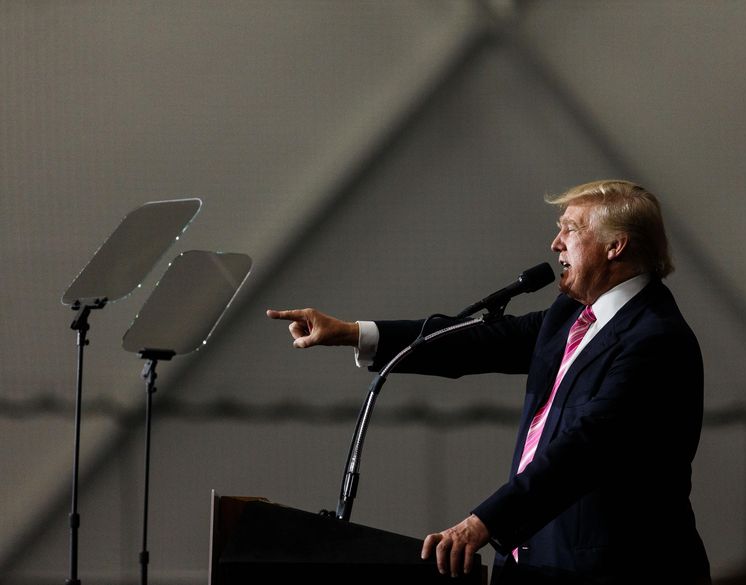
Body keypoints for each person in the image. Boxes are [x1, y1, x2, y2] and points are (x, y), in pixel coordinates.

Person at [267, 180, 710, 584]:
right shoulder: (571, 315)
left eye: (570, 230)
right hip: (532, 565)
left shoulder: (655, 338)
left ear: (616, 246)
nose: (556, 243)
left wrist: (483, 523)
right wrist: (352, 333)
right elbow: (482, 342)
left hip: (615, 570)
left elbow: (586, 448)